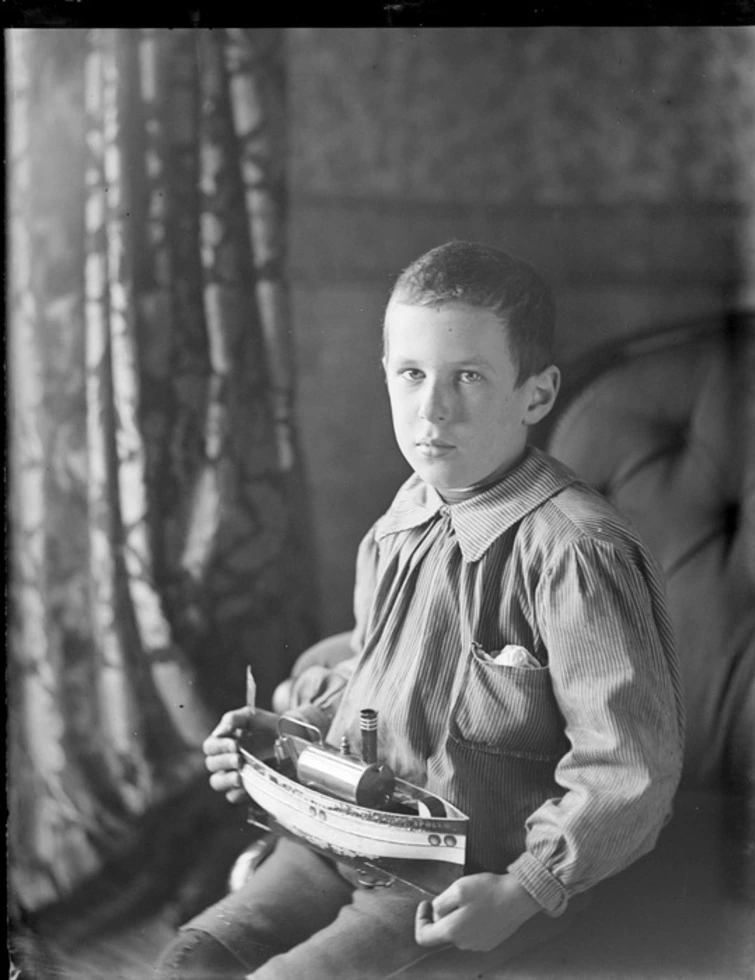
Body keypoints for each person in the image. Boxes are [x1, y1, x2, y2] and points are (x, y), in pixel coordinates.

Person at [155, 241, 685, 979]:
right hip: (346, 837)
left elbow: (630, 766)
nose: (432, 410)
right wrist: (289, 736)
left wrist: (525, 890)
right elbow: (379, 680)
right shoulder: (403, 518)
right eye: (411, 375)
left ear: (536, 393)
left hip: (458, 877)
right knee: (191, 959)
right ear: (387, 377)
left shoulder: (576, 552)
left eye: (468, 377)